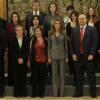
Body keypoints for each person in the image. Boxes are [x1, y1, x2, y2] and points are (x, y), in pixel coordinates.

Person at [69, 14, 97, 97]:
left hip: (88, 57)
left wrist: (92, 54)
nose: (81, 20)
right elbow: (71, 43)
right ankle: (79, 92)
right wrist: (73, 54)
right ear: (78, 20)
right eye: (80, 19)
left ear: (86, 20)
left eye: (83, 19)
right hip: (78, 57)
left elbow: (94, 43)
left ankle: (93, 92)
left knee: (91, 75)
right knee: (78, 76)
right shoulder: (74, 30)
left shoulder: (92, 29)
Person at [48, 18, 68, 97]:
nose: (57, 25)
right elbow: (49, 47)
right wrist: (49, 57)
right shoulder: (50, 33)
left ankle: (62, 94)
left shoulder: (64, 32)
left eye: (58, 23)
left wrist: (66, 56)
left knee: (62, 75)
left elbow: (66, 46)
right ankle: (55, 94)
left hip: (62, 56)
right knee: (54, 76)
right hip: (53, 56)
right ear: (53, 25)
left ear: (60, 25)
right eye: (55, 23)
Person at [9, 25, 29, 97]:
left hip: (23, 61)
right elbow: (12, 51)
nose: (19, 31)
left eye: (21, 30)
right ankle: (17, 94)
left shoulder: (26, 39)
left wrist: (22, 58)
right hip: (15, 61)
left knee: (23, 78)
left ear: (23, 31)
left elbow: (27, 51)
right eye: (18, 30)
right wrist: (18, 58)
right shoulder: (12, 39)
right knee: (16, 77)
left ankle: (23, 94)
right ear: (16, 31)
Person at [30, 26, 48, 97]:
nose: (37, 32)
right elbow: (30, 51)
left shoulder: (45, 40)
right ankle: (34, 94)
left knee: (42, 78)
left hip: (43, 61)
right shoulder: (32, 40)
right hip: (34, 61)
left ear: (41, 32)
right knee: (34, 78)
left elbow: (47, 50)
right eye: (36, 31)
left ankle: (41, 94)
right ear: (35, 32)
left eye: (39, 31)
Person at [7, 12, 22, 86]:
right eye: (13, 17)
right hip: (11, 49)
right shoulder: (9, 26)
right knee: (12, 66)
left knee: (19, 66)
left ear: (18, 17)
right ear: (11, 18)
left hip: (20, 48)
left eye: (16, 16)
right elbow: (7, 36)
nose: (15, 18)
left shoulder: (21, 25)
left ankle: (19, 82)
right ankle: (11, 82)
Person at [66, 11, 79, 85]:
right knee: (72, 62)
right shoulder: (68, 24)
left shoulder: (79, 24)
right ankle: (73, 78)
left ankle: (78, 80)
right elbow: (67, 35)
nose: (73, 17)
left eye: (75, 16)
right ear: (70, 17)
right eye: (72, 16)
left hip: (78, 45)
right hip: (70, 45)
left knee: (78, 64)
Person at [0, 26, 6, 97]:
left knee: (0, 74)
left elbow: (4, 43)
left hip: (0, 55)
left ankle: (1, 92)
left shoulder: (3, 31)